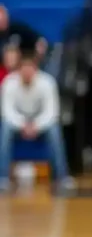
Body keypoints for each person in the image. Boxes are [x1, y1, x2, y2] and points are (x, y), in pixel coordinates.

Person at [0, 46, 73, 192]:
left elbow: (52, 112)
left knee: (54, 130)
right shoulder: (9, 83)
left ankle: (62, 177)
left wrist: (35, 126)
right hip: (18, 124)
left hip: (40, 124)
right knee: (5, 128)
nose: (27, 72)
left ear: (36, 68)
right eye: (24, 68)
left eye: (30, 68)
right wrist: (23, 125)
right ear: (19, 69)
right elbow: (7, 112)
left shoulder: (47, 82)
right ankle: (2, 178)